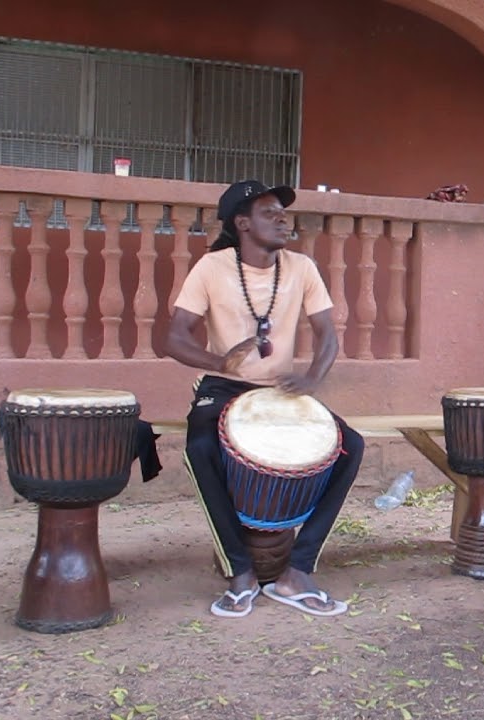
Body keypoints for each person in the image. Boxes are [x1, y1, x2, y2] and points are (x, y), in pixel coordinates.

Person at [166, 179, 364, 619]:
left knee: (352, 446)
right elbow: (174, 338)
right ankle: (241, 573)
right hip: (224, 387)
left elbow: (328, 333)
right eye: (270, 212)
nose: (282, 219)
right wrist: (221, 361)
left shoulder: (301, 268)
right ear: (242, 223)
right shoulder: (212, 268)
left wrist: (312, 378)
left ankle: (298, 570)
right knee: (200, 449)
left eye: (283, 212)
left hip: (282, 391)